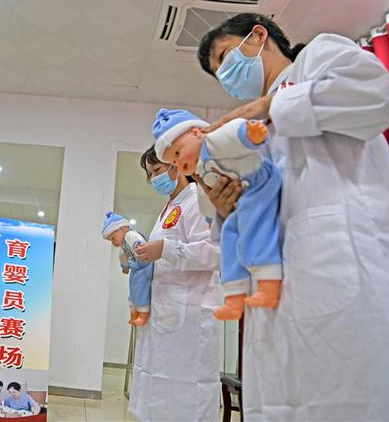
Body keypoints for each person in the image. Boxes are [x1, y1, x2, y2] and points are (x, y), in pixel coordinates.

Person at [196, 12, 389, 421]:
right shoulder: (250, 133)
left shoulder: (318, 58)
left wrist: (273, 104)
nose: (224, 75)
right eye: (216, 72)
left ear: (258, 36)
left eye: (224, 58)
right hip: (278, 295)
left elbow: (379, 97)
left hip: (344, 269)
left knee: (357, 399)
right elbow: (262, 208)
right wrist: (228, 209)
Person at [153, 108, 282, 320]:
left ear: (196, 133)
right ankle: (234, 296)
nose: (178, 163)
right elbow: (210, 208)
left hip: (259, 188)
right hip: (242, 203)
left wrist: (249, 134)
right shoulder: (202, 173)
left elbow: (234, 132)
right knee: (230, 238)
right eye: (173, 162)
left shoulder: (213, 143)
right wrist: (214, 215)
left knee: (258, 232)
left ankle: (268, 284)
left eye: (177, 154)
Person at [128, 145, 221, 422]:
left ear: (175, 165)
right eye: (150, 174)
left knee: (184, 395)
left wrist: (165, 250)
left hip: (189, 317)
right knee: (158, 391)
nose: (154, 178)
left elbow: (215, 253)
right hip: (165, 314)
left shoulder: (197, 200)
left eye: (157, 169)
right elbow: (166, 256)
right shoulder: (169, 207)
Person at [102, 211, 154, 326]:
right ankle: (134, 312)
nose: (113, 242)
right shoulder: (124, 246)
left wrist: (139, 246)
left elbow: (137, 242)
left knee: (141, 289)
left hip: (144, 266)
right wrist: (125, 267)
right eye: (111, 240)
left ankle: (143, 313)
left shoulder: (129, 235)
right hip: (136, 268)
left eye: (113, 238)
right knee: (132, 292)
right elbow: (123, 255)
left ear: (123, 228)